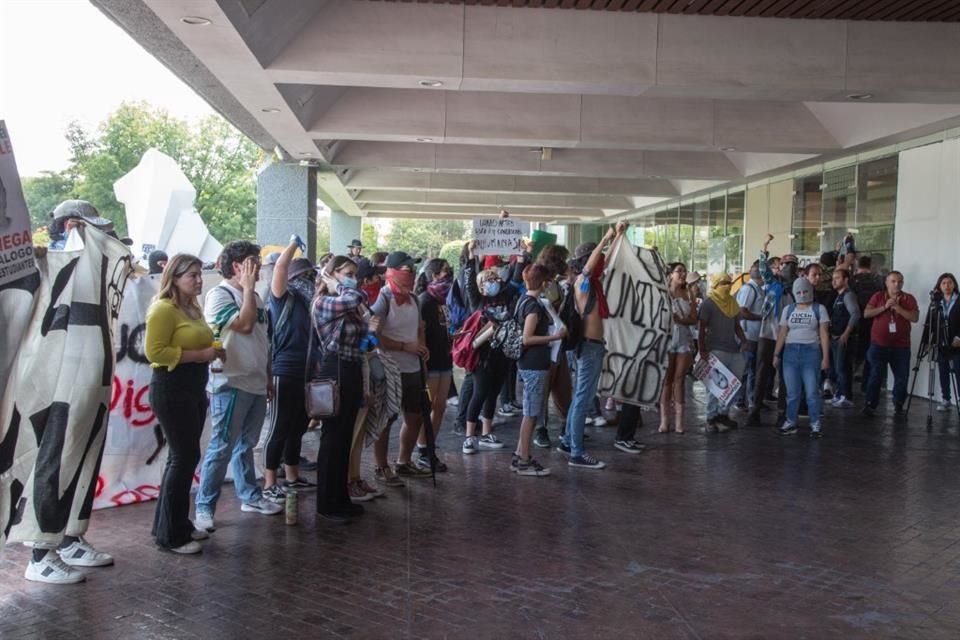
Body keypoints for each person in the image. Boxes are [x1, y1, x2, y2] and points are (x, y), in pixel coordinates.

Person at [195, 241, 280, 532]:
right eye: (255, 262)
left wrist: (267, 376)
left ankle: (250, 496)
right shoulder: (219, 295)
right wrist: (245, 289)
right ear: (238, 266)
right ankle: (205, 507)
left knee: (246, 444)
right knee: (221, 446)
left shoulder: (254, 296)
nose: (261, 268)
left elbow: (262, 338)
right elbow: (243, 325)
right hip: (230, 383)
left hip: (256, 381)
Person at [145, 254, 224, 554]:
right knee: (183, 456)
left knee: (184, 457)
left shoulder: (192, 307)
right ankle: (171, 534)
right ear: (175, 278)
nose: (199, 279)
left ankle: (173, 522)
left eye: (199, 274)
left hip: (193, 385)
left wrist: (214, 349)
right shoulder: (164, 309)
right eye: (192, 275)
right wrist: (199, 355)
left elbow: (200, 340)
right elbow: (155, 352)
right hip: (172, 387)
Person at [560, 222, 628, 469]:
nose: (600, 263)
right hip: (589, 348)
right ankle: (577, 452)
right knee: (583, 399)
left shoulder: (593, 283)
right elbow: (592, 266)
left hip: (593, 347)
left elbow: (605, 262)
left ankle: (568, 441)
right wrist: (607, 236)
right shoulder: (582, 283)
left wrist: (618, 236)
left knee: (581, 396)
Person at [312, 256, 370, 521]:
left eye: (354, 275)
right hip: (334, 371)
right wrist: (340, 286)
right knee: (332, 438)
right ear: (331, 275)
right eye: (347, 273)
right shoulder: (324, 302)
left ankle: (340, 498)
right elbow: (353, 298)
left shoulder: (346, 303)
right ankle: (326, 503)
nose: (352, 279)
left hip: (352, 368)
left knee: (344, 437)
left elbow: (361, 307)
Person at [262, 236, 318, 504]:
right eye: (305, 275)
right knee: (279, 427)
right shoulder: (282, 296)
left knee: (298, 427)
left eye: (312, 275)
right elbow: (280, 268)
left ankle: (292, 477)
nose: (310, 280)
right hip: (284, 369)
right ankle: (270, 481)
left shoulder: (313, 302)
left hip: (307, 371)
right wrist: (293, 244)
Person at [370, 252, 432, 480]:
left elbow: (419, 328)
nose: (411, 274)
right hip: (390, 368)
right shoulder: (383, 299)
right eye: (406, 270)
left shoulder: (414, 299)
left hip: (413, 368)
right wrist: (404, 346)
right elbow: (374, 335)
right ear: (393, 272)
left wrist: (422, 347)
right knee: (386, 420)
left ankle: (403, 462)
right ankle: (381, 466)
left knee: (414, 416)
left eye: (413, 270)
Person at [512, 264, 566, 476]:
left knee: (531, 411)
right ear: (544, 283)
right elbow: (528, 338)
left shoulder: (524, 301)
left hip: (529, 363)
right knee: (531, 413)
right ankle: (524, 459)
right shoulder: (533, 306)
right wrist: (555, 337)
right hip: (534, 364)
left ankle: (520, 454)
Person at [746, 235, 794, 428]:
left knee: (785, 376)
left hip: (788, 337)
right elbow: (763, 268)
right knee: (761, 373)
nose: (788, 267)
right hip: (767, 334)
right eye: (785, 264)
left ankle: (782, 412)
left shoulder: (797, 289)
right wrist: (764, 247)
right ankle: (755, 410)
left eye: (792, 264)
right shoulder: (772, 283)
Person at [774, 278, 831, 437]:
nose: (802, 295)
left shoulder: (819, 309)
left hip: (811, 352)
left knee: (812, 392)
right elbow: (782, 333)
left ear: (811, 291)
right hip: (790, 352)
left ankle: (815, 424)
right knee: (792, 393)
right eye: (798, 292)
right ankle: (791, 421)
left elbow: (824, 334)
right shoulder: (788, 309)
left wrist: (825, 358)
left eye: (805, 291)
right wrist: (776, 354)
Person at [414, 258, 455, 472]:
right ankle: (422, 449)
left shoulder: (442, 302)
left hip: (444, 360)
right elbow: (420, 332)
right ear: (433, 275)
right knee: (426, 407)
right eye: (445, 272)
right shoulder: (425, 302)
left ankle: (429, 445)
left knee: (440, 406)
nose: (448, 276)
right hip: (430, 363)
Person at [862, 271, 919, 417]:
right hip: (878, 345)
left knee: (902, 377)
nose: (896, 284)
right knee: (875, 376)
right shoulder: (878, 296)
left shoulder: (909, 298)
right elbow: (866, 313)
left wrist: (898, 308)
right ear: (887, 283)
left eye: (900, 281)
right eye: (893, 281)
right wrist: (885, 307)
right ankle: (870, 405)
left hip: (901, 346)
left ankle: (899, 405)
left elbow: (914, 317)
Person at [698, 273, 747, 433]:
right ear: (716, 284)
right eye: (723, 283)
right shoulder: (709, 303)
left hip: (733, 348)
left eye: (729, 283)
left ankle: (723, 413)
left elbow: (737, 326)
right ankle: (710, 417)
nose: (727, 286)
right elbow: (701, 327)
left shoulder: (733, 303)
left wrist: (744, 341)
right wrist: (702, 349)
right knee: (714, 386)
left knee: (733, 385)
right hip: (715, 349)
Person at [658, 262, 697, 434]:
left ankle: (679, 421)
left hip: (683, 340)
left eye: (684, 271)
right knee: (666, 380)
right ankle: (665, 421)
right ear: (671, 274)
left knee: (679, 379)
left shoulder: (688, 293)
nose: (682, 274)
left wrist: (681, 320)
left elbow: (694, 318)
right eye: (679, 271)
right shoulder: (662, 292)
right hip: (666, 340)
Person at [828, 268, 861, 408]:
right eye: (833, 278)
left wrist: (846, 333)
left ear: (846, 280)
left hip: (844, 337)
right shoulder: (838, 296)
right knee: (838, 367)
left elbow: (855, 314)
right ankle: (839, 393)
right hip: (836, 336)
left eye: (838, 278)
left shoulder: (848, 295)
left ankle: (845, 396)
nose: (834, 281)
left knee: (843, 367)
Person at [734, 261, 764, 411]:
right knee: (747, 369)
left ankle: (750, 399)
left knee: (752, 368)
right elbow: (742, 311)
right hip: (749, 335)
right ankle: (741, 400)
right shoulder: (749, 289)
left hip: (754, 334)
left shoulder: (757, 288)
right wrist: (761, 317)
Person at [928, 273, 960, 412]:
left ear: (954, 284)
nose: (947, 286)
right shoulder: (936, 303)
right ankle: (946, 398)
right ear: (939, 286)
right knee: (943, 371)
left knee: (959, 371)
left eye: (950, 283)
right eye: (944, 283)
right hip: (941, 343)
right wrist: (929, 342)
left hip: (957, 343)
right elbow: (931, 323)